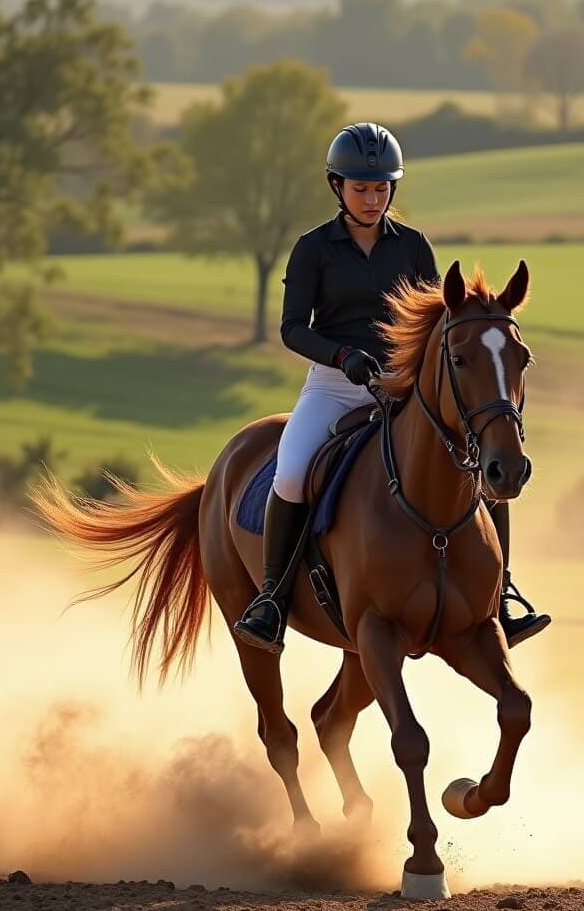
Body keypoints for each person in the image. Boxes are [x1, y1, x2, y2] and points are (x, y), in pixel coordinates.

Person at [233, 122, 549, 654]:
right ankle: (270, 597)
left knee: (480, 466)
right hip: (334, 385)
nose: (372, 198)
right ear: (337, 187)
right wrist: (341, 356)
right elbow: (292, 328)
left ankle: (501, 593)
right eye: (361, 188)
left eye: (381, 188)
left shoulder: (413, 247)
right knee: (290, 470)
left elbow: (437, 323)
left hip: (404, 386)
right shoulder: (313, 249)